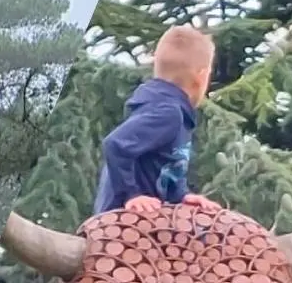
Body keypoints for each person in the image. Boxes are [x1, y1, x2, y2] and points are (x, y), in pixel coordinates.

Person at [93, 25, 217, 217]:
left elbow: (164, 167)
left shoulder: (173, 112)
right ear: (200, 76)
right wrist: (132, 195)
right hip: (123, 220)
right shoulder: (168, 113)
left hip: (149, 219)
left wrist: (182, 195)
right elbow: (115, 144)